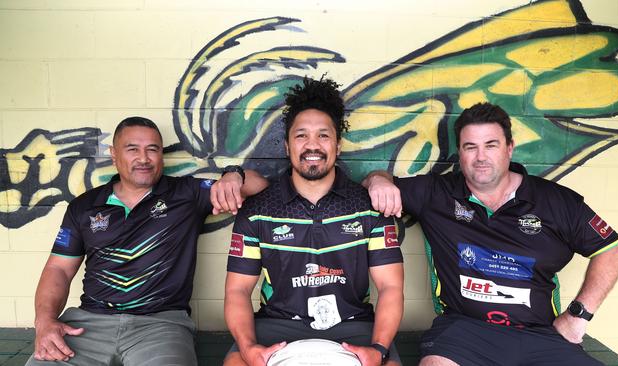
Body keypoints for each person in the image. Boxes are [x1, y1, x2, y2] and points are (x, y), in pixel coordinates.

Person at [362, 103, 618, 366]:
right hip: (462, 332)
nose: (481, 157)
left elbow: (613, 249)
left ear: (509, 148)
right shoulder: (436, 194)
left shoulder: (555, 201)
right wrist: (378, 180)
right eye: (470, 147)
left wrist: (577, 316)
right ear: (460, 153)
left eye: (491, 145)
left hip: (540, 335)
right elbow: (375, 182)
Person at [27, 116, 264, 365]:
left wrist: (233, 177)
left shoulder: (187, 193)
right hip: (88, 325)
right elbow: (59, 270)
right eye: (133, 149)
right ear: (114, 154)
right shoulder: (84, 206)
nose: (144, 158)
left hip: (161, 326)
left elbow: (260, 184)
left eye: (153, 149)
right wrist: (45, 321)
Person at [222, 77, 405, 366]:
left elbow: (391, 288)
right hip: (277, 323)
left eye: (323, 135)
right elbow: (237, 290)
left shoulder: (370, 207)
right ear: (287, 146)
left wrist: (380, 349)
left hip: (354, 323)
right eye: (301, 135)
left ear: (338, 145)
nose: (312, 145)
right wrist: (247, 347)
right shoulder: (258, 209)